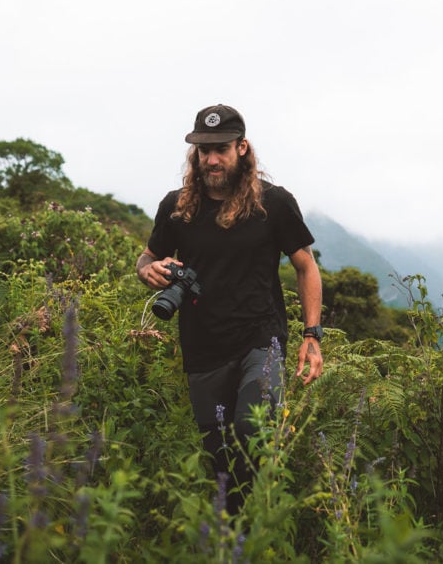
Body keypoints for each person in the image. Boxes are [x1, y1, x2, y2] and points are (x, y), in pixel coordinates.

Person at [136, 104, 324, 514]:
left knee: (249, 427)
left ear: (242, 147)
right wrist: (149, 270)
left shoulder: (274, 203)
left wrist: (312, 336)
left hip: (262, 339)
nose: (211, 159)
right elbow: (147, 257)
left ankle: (255, 522)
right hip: (203, 349)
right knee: (221, 460)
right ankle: (237, 532)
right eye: (204, 150)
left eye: (220, 149)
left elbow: (306, 267)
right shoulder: (176, 206)